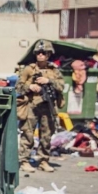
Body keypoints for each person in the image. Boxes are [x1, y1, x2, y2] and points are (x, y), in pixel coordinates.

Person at [17, 40, 64, 173]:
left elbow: (61, 86)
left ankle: (43, 160)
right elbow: (18, 87)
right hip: (31, 105)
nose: (40, 55)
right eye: (38, 52)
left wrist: (49, 81)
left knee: (47, 135)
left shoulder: (54, 70)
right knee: (28, 134)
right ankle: (24, 160)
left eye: (43, 53)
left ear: (49, 55)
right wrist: (30, 86)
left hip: (47, 106)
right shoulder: (28, 69)